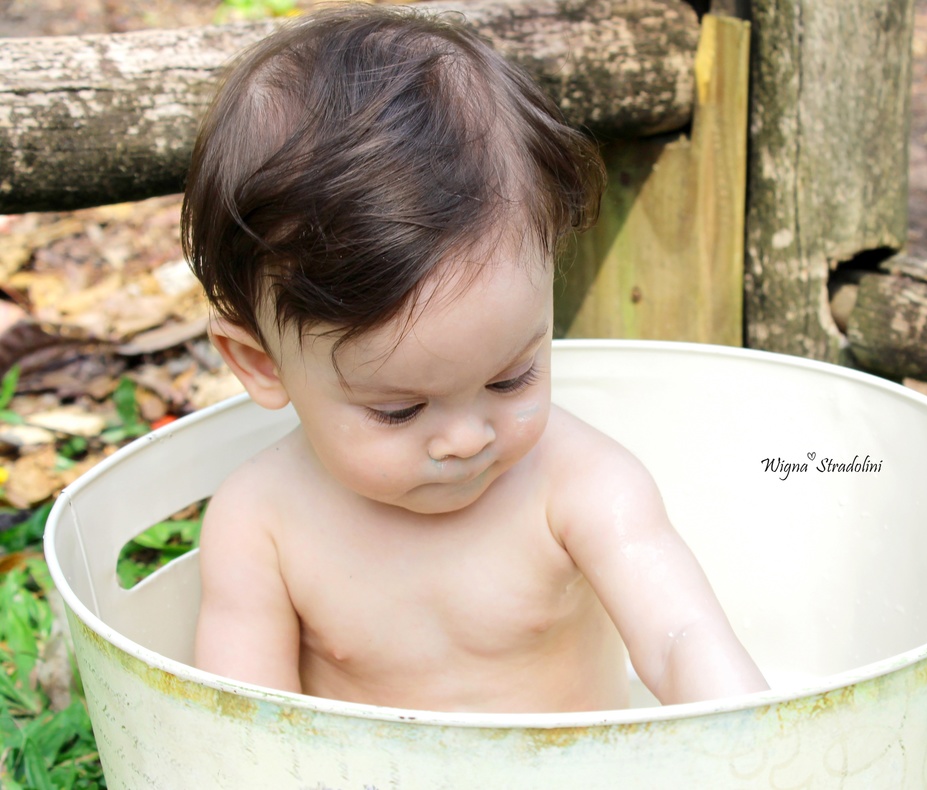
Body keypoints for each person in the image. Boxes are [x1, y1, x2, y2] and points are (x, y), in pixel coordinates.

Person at [182, 3, 767, 714]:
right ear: (261, 364)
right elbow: (247, 724)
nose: (466, 438)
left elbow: (679, 639)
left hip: (582, 767)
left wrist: (751, 735)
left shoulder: (578, 483)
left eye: (511, 378)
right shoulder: (261, 522)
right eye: (399, 410)